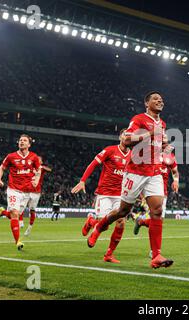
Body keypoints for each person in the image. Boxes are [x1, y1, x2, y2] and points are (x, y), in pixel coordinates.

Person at [87, 91, 174, 269]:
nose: (160, 101)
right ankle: (98, 227)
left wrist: (165, 146)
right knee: (122, 211)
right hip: (136, 171)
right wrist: (150, 134)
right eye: (155, 99)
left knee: (157, 211)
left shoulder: (162, 124)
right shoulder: (139, 119)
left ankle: (156, 255)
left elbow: (156, 146)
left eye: (162, 99)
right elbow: (127, 140)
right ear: (146, 103)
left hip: (154, 171)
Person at [71, 129, 131, 263]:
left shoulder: (133, 156)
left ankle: (109, 254)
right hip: (105, 193)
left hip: (121, 195)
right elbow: (93, 164)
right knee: (104, 225)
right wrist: (82, 181)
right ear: (120, 137)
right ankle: (91, 221)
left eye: (130, 135)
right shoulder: (110, 150)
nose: (128, 136)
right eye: (125, 134)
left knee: (121, 222)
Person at [0, 134, 41, 250]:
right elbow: (1, 168)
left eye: (24, 140)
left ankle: (1, 212)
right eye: (20, 140)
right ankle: (18, 241)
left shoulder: (34, 157)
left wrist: (36, 180)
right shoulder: (11, 156)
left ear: (29, 144)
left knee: (13, 215)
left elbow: (39, 169)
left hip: (26, 193)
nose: (21, 142)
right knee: (15, 213)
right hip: (13, 190)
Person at [133, 151, 179, 234]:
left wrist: (176, 180)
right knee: (157, 220)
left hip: (163, 192)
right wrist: (142, 194)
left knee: (160, 220)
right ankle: (154, 245)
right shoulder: (148, 153)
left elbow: (175, 170)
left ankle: (140, 222)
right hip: (150, 191)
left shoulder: (169, 156)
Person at [24, 156, 52, 236]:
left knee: (32, 210)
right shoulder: (30, 167)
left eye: (39, 159)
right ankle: (20, 222)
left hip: (36, 193)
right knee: (20, 207)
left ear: (41, 161)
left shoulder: (41, 168)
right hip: (27, 191)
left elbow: (50, 170)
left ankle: (29, 228)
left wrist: (42, 166)